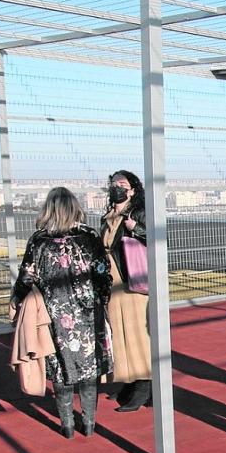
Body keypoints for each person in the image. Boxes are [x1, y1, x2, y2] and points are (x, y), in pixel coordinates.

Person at [10, 188, 113, 439]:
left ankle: (66, 424)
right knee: (89, 367)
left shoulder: (39, 240)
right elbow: (103, 273)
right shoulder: (89, 236)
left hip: (52, 311)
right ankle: (89, 423)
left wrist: (17, 298)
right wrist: (102, 300)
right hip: (88, 312)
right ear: (75, 207)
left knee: (59, 368)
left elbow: (27, 275)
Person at [101, 170, 152, 411]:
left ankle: (144, 384)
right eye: (113, 184)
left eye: (122, 184)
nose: (117, 188)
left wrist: (137, 228)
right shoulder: (108, 216)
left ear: (132, 189)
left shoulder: (138, 213)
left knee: (137, 334)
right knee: (119, 333)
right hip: (113, 283)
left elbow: (156, 237)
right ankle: (130, 379)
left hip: (132, 281)